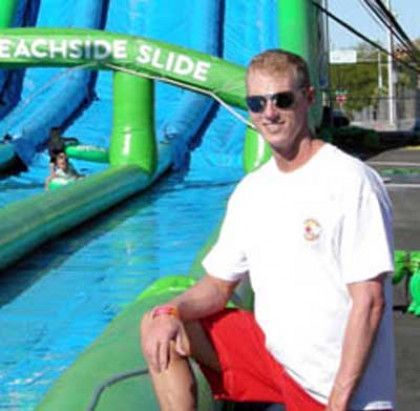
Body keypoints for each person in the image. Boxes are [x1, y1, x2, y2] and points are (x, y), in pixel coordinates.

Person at [140, 49, 395, 411]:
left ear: (308, 99)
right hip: (279, 366)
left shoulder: (350, 181)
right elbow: (217, 285)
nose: (269, 113)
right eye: (257, 103)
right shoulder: (252, 191)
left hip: (337, 391)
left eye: (282, 100)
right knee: (157, 323)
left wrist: (338, 403)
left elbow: (369, 303)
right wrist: (170, 311)